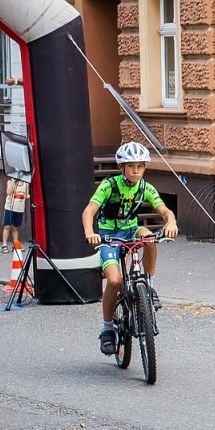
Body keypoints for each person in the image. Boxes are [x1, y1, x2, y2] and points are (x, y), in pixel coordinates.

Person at [81, 142, 180, 357]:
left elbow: (165, 210)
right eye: (131, 166)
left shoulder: (145, 188)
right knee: (115, 281)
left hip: (131, 231)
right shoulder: (109, 186)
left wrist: (170, 223)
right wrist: (90, 231)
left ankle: (148, 284)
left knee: (149, 238)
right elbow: (90, 210)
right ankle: (107, 329)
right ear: (122, 167)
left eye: (140, 166)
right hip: (109, 237)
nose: (136, 171)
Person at [1, 176, 30, 253]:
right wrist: (13, 182)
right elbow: (8, 192)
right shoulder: (10, 182)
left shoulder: (26, 184)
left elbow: (26, 195)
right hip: (10, 207)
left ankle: (15, 244)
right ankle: (4, 245)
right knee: (7, 226)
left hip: (19, 208)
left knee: (16, 227)